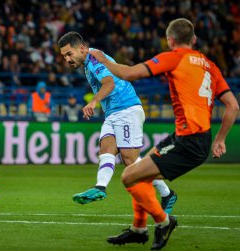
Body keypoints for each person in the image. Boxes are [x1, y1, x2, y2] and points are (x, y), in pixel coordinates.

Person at [90, 18, 239, 250]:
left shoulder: (175, 57)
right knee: (139, 175)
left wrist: (102, 59)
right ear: (194, 39)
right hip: (194, 137)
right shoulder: (210, 65)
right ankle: (138, 229)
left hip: (189, 141)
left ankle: (163, 222)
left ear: (170, 40)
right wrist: (220, 139)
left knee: (129, 177)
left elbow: (129, 73)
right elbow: (233, 106)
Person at [57, 31, 177, 213]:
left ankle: (167, 193)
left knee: (130, 160)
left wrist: (94, 101)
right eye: (64, 56)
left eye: (69, 54)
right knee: (107, 149)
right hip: (113, 112)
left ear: (81, 48)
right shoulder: (89, 61)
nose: (67, 59)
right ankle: (100, 188)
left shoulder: (94, 60)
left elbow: (109, 84)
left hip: (126, 109)